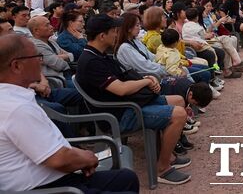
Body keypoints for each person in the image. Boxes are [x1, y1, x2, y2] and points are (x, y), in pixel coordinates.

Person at [0, 34, 140, 193]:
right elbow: (58, 159)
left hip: (57, 176)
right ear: (16, 66)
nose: (41, 61)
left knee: (126, 178)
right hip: (47, 187)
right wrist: (86, 158)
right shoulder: (16, 108)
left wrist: (78, 158)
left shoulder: (14, 98)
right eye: (36, 56)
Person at [75, 14, 192, 185]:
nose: (117, 34)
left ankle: (169, 155)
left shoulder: (100, 55)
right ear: (102, 35)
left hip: (128, 105)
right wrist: (146, 80)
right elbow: (121, 89)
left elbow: (124, 77)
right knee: (179, 114)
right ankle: (163, 168)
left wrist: (148, 79)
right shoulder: (91, 61)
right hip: (119, 114)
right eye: (114, 31)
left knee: (178, 100)